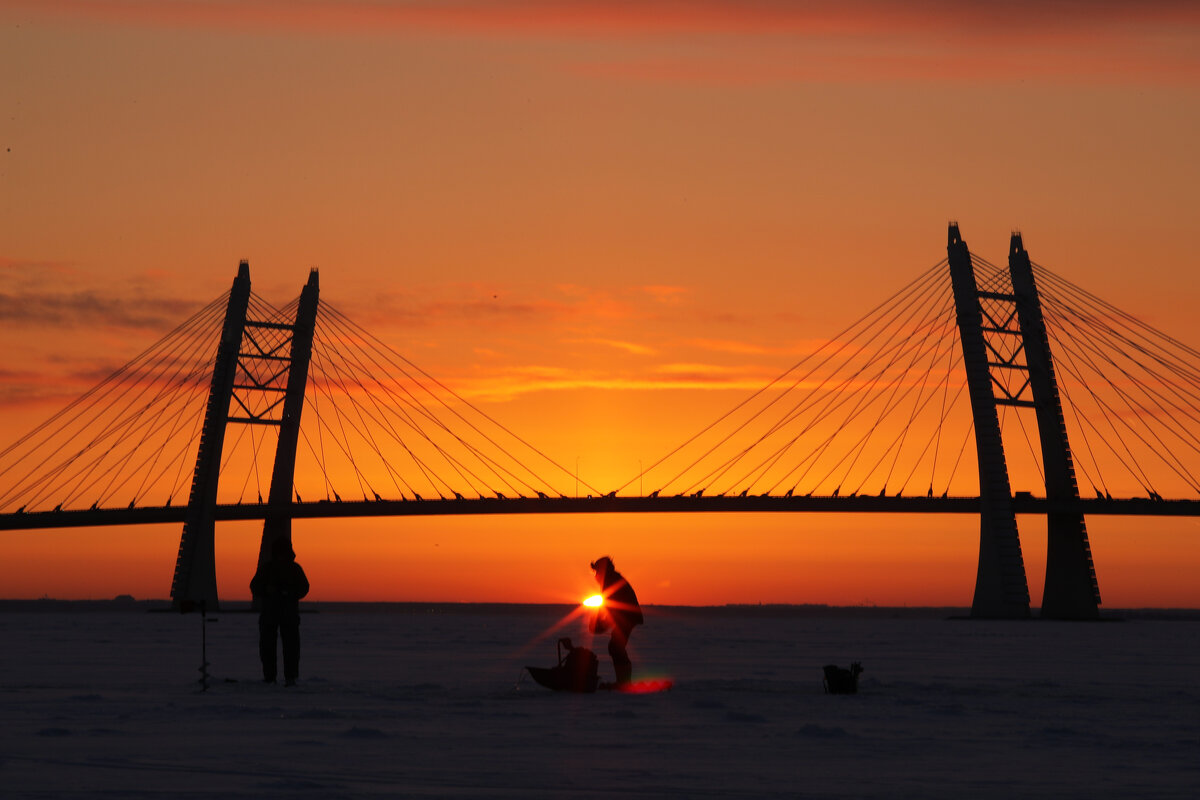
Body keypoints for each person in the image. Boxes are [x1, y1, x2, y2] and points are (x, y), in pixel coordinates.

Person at [250, 537, 310, 686]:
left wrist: (290, 593)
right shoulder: (268, 568)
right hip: (271, 614)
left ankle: (290, 677)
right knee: (268, 647)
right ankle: (270, 677)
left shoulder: (294, 568)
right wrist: (267, 590)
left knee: (291, 648)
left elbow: (304, 588)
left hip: (287, 614)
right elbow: (255, 586)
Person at [589, 555, 643, 686]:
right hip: (623, 617)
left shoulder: (610, 581)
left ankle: (624, 683)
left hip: (627, 617)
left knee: (616, 647)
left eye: (597, 571)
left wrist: (599, 621)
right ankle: (623, 682)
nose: (595, 575)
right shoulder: (610, 579)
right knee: (615, 647)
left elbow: (609, 606)